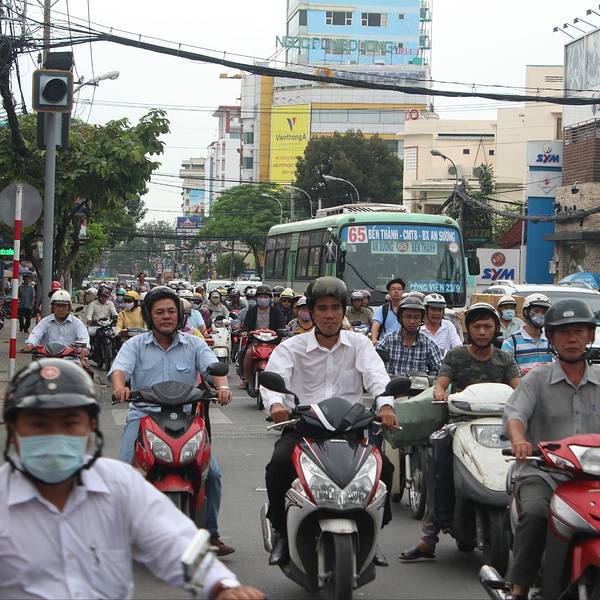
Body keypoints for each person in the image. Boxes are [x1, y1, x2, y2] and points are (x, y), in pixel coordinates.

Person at [0, 358, 262, 600]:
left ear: (91, 427)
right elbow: (119, 371)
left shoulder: (119, 484)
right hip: (142, 414)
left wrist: (221, 586)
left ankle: (212, 531)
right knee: (130, 455)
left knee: (212, 473)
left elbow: (174, 541)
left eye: (70, 424)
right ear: (13, 430)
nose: (55, 436)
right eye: (38, 424)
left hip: (181, 414)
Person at [262, 277, 398, 567]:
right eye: (322, 308)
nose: (329, 315)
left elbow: (377, 377)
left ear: (344, 311)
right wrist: (276, 405)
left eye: (335, 308)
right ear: (311, 312)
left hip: (351, 431)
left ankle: (372, 533)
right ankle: (282, 533)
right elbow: (274, 379)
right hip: (303, 430)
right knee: (278, 466)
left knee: (385, 469)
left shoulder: (360, 344)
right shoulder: (291, 347)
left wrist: (386, 406)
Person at [400, 302, 520, 561]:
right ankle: (428, 539)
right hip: (460, 424)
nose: (482, 331)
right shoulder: (455, 356)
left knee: (526, 464)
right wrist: (440, 392)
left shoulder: (505, 359)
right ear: (468, 330)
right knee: (438, 465)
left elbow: (519, 389)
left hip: (500, 426)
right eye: (477, 326)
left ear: (496, 329)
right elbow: (441, 383)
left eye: (487, 326)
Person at [504, 298, 600, 600]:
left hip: (593, 480)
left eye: (579, 331)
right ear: (550, 337)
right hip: (544, 474)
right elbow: (515, 415)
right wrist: (519, 440)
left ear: (590, 336)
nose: (572, 339)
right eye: (564, 332)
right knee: (535, 514)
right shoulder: (537, 379)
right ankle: (519, 586)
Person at [376, 296, 442, 376]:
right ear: (400, 318)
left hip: (418, 384)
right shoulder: (387, 341)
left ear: (421, 320)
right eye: (407, 317)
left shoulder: (429, 345)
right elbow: (374, 367)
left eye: (416, 317)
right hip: (391, 383)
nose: (412, 321)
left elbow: (440, 372)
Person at [241, 285, 286, 385]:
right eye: (261, 297)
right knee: (247, 352)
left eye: (266, 297)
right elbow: (246, 325)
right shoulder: (252, 311)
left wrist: (280, 332)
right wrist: (245, 332)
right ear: (257, 298)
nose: (263, 299)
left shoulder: (276, 311)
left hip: (272, 342)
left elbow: (281, 326)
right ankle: (246, 378)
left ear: (270, 299)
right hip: (255, 341)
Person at [24, 290, 89, 353]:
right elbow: (36, 334)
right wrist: (30, 343)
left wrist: (85, 348)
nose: (61, 309)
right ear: (52, 307)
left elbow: (83, 336)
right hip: (47, 356)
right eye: (58, 305)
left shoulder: (77, 323)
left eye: (64, 306)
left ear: (69, 307)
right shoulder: (45, 321)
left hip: (70, 357)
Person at [501, 293, 553, 373]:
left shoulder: (552, 340)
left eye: (544, 312)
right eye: (536, 311)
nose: (540, 315)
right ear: (526, 312)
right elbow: (506, 372)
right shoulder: (511, 343)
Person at [370, 278, 405, 345]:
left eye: (399, 289)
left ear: (403, 291)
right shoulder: (382, 309)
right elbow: (375, 325)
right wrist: (374, 339)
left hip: (403, 343)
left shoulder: (407, 309)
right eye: (393, 289)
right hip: (386, 344)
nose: (396, 291)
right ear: (388, 292)